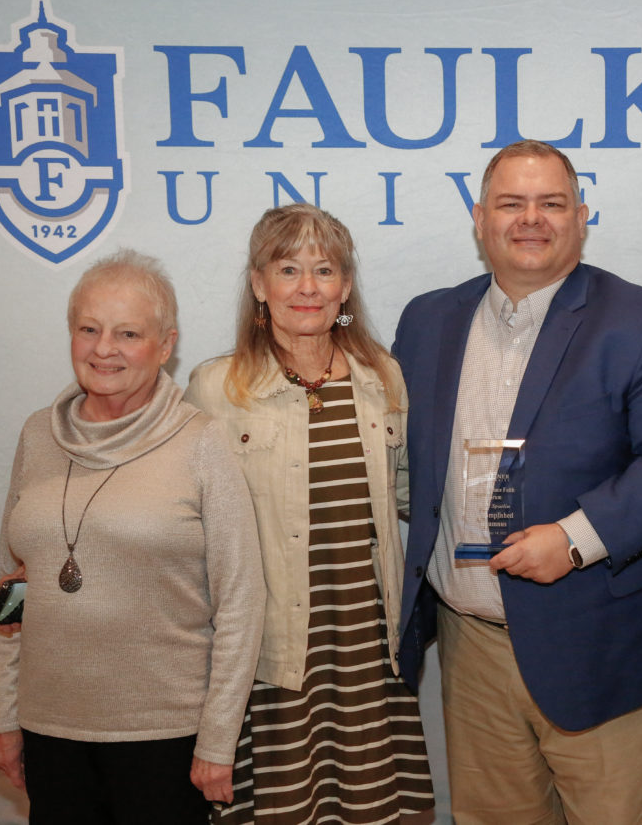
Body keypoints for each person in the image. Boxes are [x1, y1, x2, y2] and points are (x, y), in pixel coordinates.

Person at [393, 140, 642, 824]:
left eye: (551, 203)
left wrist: (575, 539)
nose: (530, 219)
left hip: (601, 641)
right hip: (472, 642)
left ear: (581, 217)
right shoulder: (428, 320)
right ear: (480, 218)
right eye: (511, 203)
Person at [0, 249, 265, 823]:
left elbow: (242, 602)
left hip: (164, 738)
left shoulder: (202, 443)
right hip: (49, 730)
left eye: (128, 333)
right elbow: (12, 596)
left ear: (166, 345)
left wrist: (217, 742)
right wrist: (4, 717)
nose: (104, 348)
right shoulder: (38, 434)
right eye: (88, 328)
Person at [184, 204, 434, 824]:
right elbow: (186, 532)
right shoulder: (216, 388)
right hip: (271, 654)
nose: (306, 287)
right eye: (287, 268)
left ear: (345, 287)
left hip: (366, 647)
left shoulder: (384, 378)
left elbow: (412, 498)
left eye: (324, 270)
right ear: (258, 284)